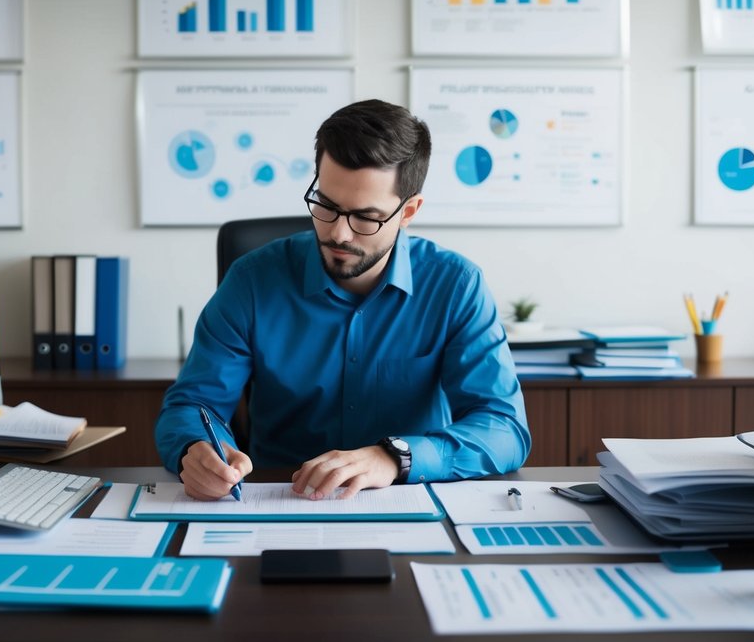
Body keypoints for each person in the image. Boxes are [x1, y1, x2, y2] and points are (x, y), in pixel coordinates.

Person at [154, 99, 531, 500]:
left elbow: (504, 429)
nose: (339, 234)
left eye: (366, 218)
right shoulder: (252, 281)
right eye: (327, 207)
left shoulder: (455, 285)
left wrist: (393, 458)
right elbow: (193, 404)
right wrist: (194, 451)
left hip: (408, 495)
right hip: (280, 497)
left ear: (408, 211)